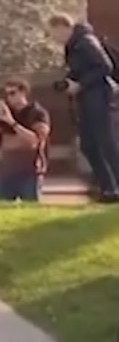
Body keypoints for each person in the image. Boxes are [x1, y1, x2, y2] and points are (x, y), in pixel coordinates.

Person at [48, 14, 119, 202]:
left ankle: (114, 187)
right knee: (88, 145)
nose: (54, 38)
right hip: (87, 100)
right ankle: (108, 188)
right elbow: (82, 69)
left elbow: (105, 66)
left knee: (107, 144)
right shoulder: (73, 47)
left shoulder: (86, 42)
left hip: (99, 98)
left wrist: (81, 85)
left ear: (63, 27)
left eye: (54, 33)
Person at [0, 78, 50, 202]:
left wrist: (12, 123)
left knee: (31, 209)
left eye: (12, 93)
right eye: (7, 94)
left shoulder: (37, 112)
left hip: (30, 173)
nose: (9, 97)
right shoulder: (5, 114)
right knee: (1, 209)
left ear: (23, 93)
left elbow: (35, 140)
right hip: (7, 173)